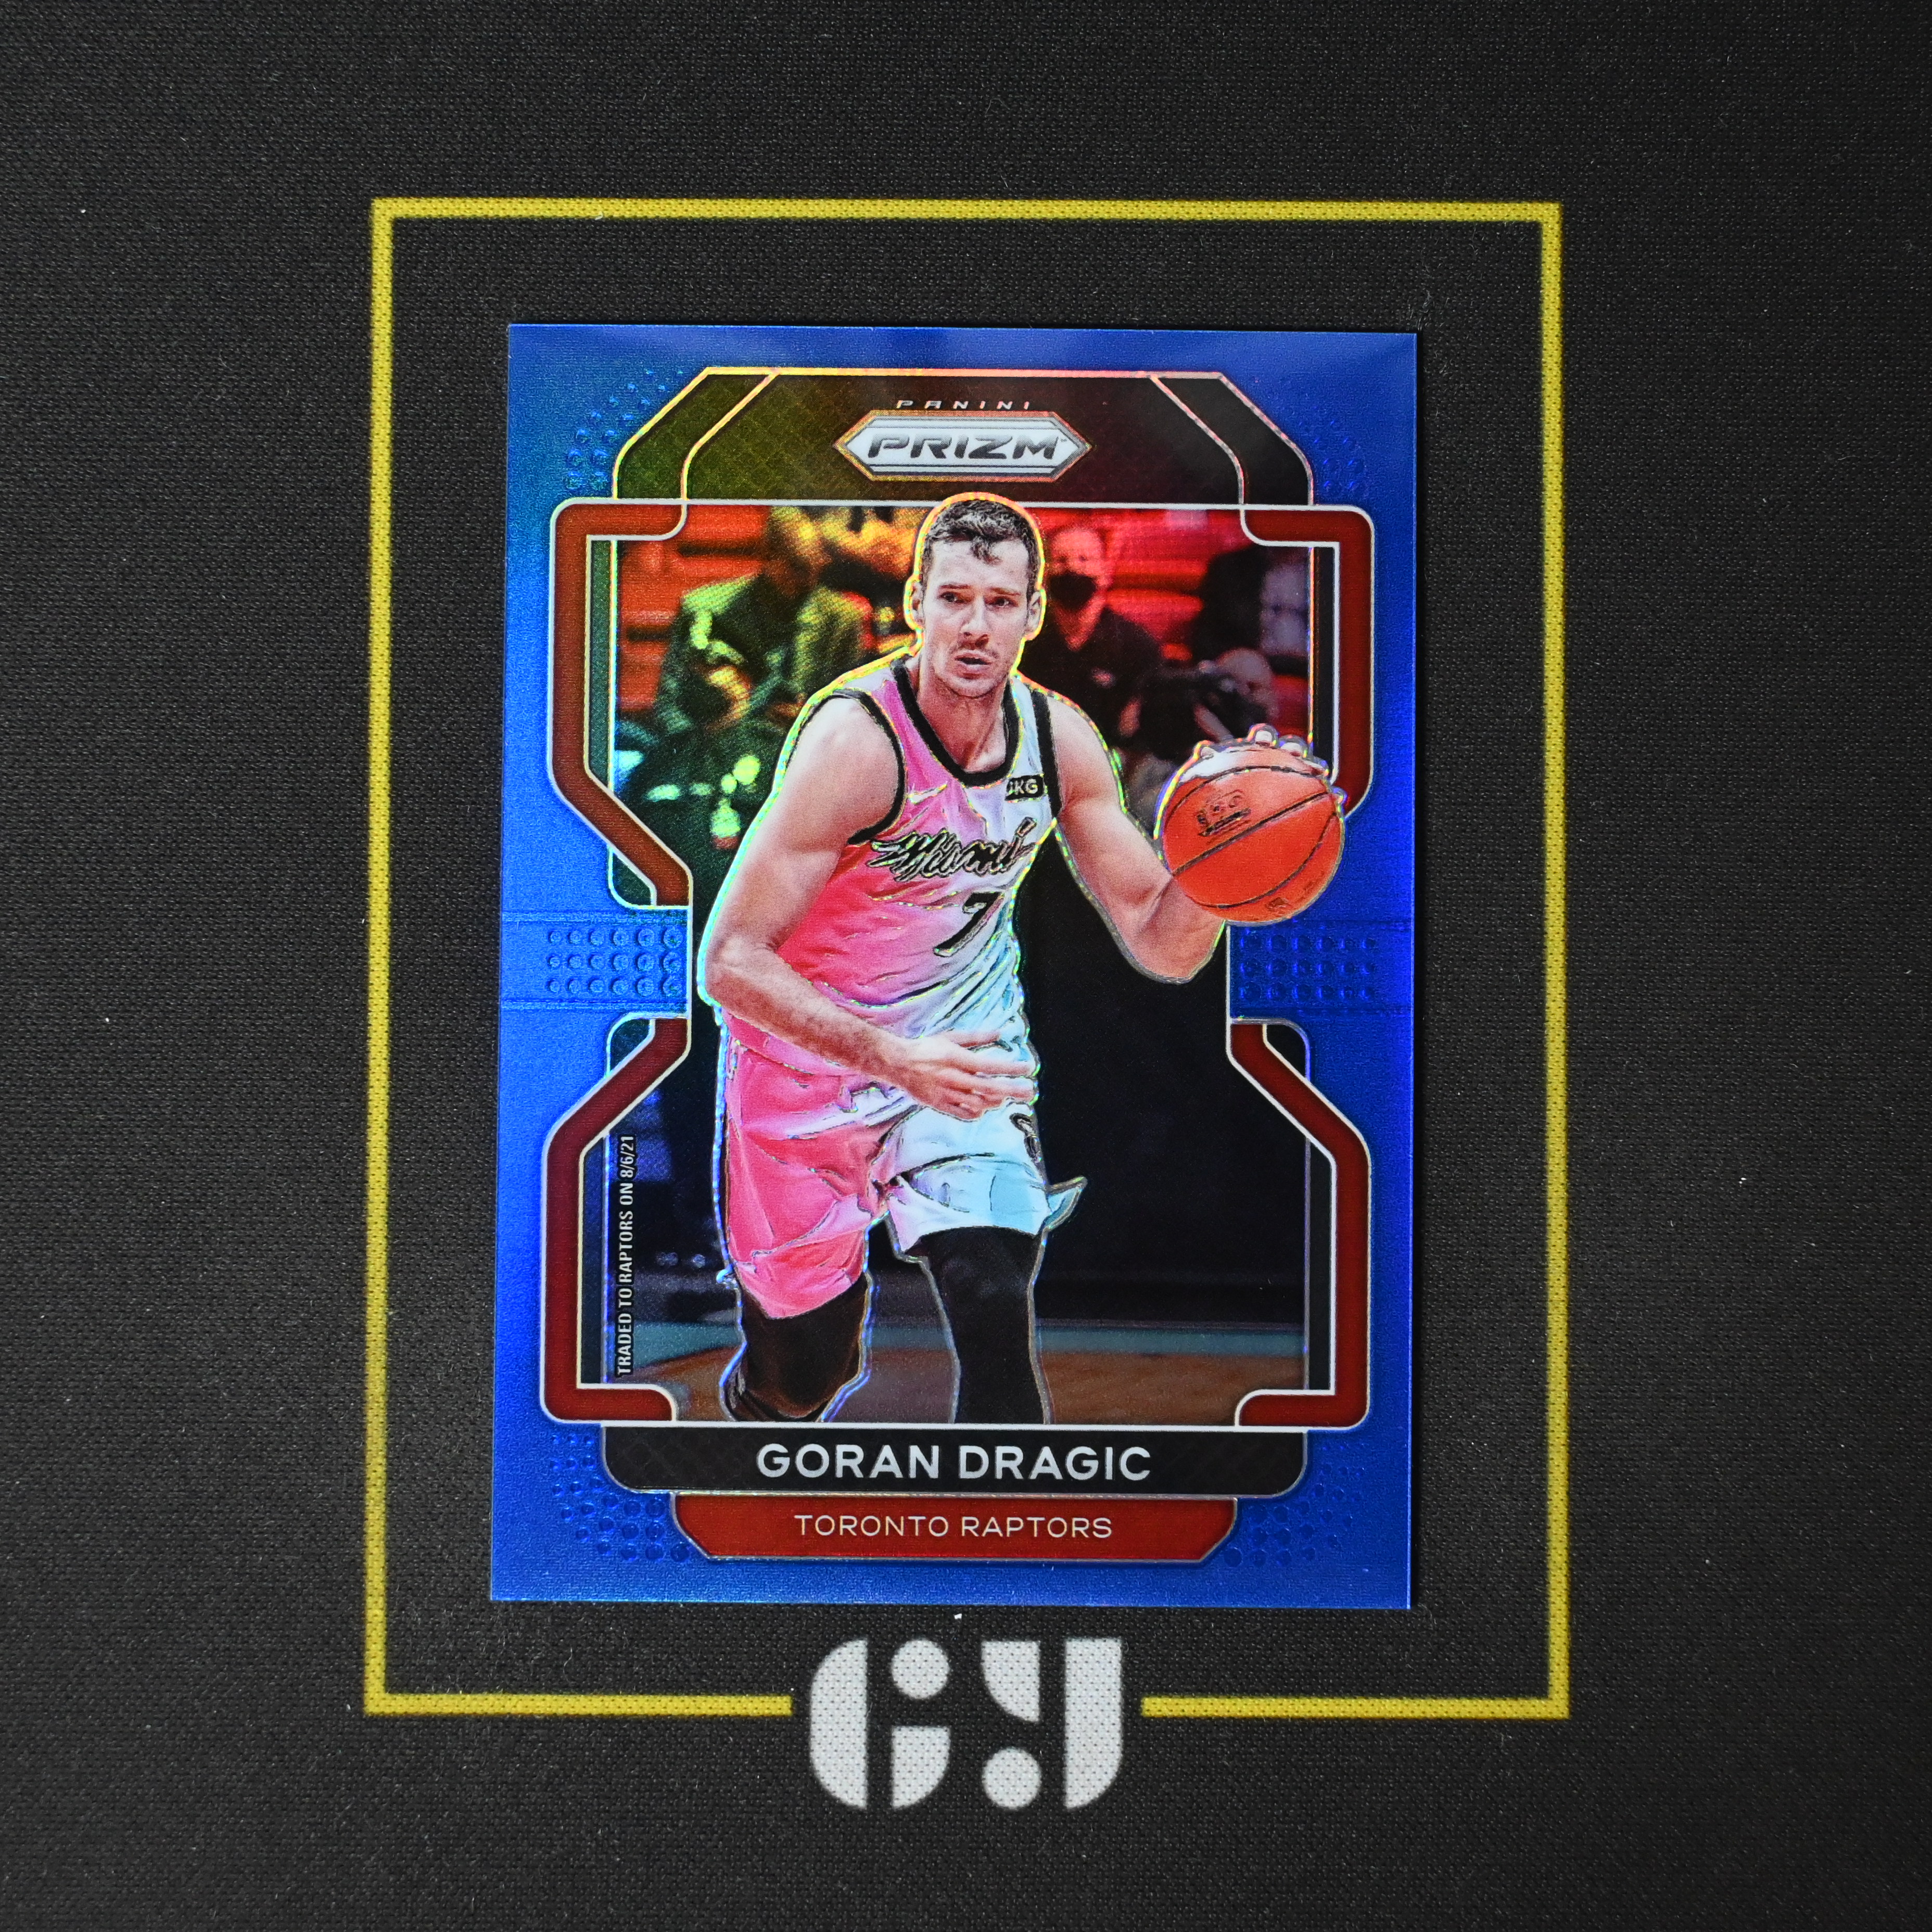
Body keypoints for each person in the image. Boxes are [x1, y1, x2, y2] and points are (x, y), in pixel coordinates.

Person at [698, 494, 1328, 1423]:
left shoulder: (1058, 737)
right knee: (804, 1376)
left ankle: (1006, 1506)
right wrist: (888, 1056)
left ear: (1032, 614)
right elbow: (729, 962)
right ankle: (768, 1399)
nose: (975, 626)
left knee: (993, 1294)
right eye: (955, 598)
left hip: (960, 1052)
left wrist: (1219, 857)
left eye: (999, 602)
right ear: (916, 603)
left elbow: (1161, 943)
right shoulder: (855, 743)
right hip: (806, 1062)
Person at [619, 508, 871, 1266]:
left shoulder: (832, 634)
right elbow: (669, 721)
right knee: (696, 1072)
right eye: (706, 664)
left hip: (785, 926)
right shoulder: (660, 765)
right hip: (702, 930)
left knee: (788, 1076)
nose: (714, 674)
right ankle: (700, 1223)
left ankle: (796, 1224)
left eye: (817, 575)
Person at [1019, 522, 1163, 745]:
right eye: (1061, 561)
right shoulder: (1022, 642)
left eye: (1084, 560)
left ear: (1105, 573)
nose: (1073, 569)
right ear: (1044, 574)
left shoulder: (1137, 646)